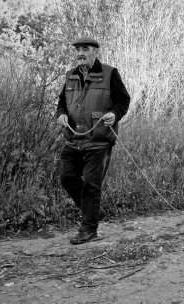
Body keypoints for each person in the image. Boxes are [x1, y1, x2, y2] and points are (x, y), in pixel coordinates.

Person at [56, 36, 130, 245]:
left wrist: (115, 114)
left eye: (85, 49)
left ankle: (88, 229)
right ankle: (93, 211)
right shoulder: (70, 75)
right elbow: (62, 102)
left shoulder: (109, 73)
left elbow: (123, 99)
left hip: (98, 140)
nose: (80, 53)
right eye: (77, 49)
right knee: (66, 177)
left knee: (91, 185)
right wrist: (61, 115)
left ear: (96, 52)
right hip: (73, 139)